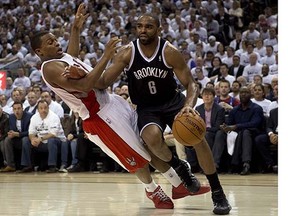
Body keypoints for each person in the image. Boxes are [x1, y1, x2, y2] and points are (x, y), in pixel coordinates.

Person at [30, 4, 209, 210]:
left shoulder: (59, 58)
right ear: (39, 51)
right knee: (136, 156)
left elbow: (72, 55)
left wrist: (75, 29)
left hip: (112, 103)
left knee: (149, 145)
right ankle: (152, 190)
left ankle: (179, 184)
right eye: (50, 42)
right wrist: (106, 56)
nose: (56, 43)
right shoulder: (49, 68)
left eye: (55, 39)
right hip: (99, 117)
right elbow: (87, 85)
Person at [89, 13, 231, 214]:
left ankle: (218, 193)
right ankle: (180, 168)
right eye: (139, 26)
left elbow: (190, 84)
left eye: (148, 26)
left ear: (159, 29)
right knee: (151, 139)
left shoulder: (169, 52)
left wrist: (188, 105)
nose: (143, 30)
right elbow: (102, 83)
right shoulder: (127, 53)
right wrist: (96, 65)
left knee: (198, 137)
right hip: (147, 108)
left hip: (173, 102)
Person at [1, 102, 33, 172]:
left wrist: (18, 134)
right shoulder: (11, 117)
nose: (17, 111)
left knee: (25, 139)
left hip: (28, 139)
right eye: (15, 109)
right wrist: (10, 133)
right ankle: (10, 165)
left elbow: (31, 132)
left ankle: (26, 165)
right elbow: (10, 129)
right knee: (7, 139)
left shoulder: (30, 116)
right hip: (16, 139)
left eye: (19, 108)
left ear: (23, 109)